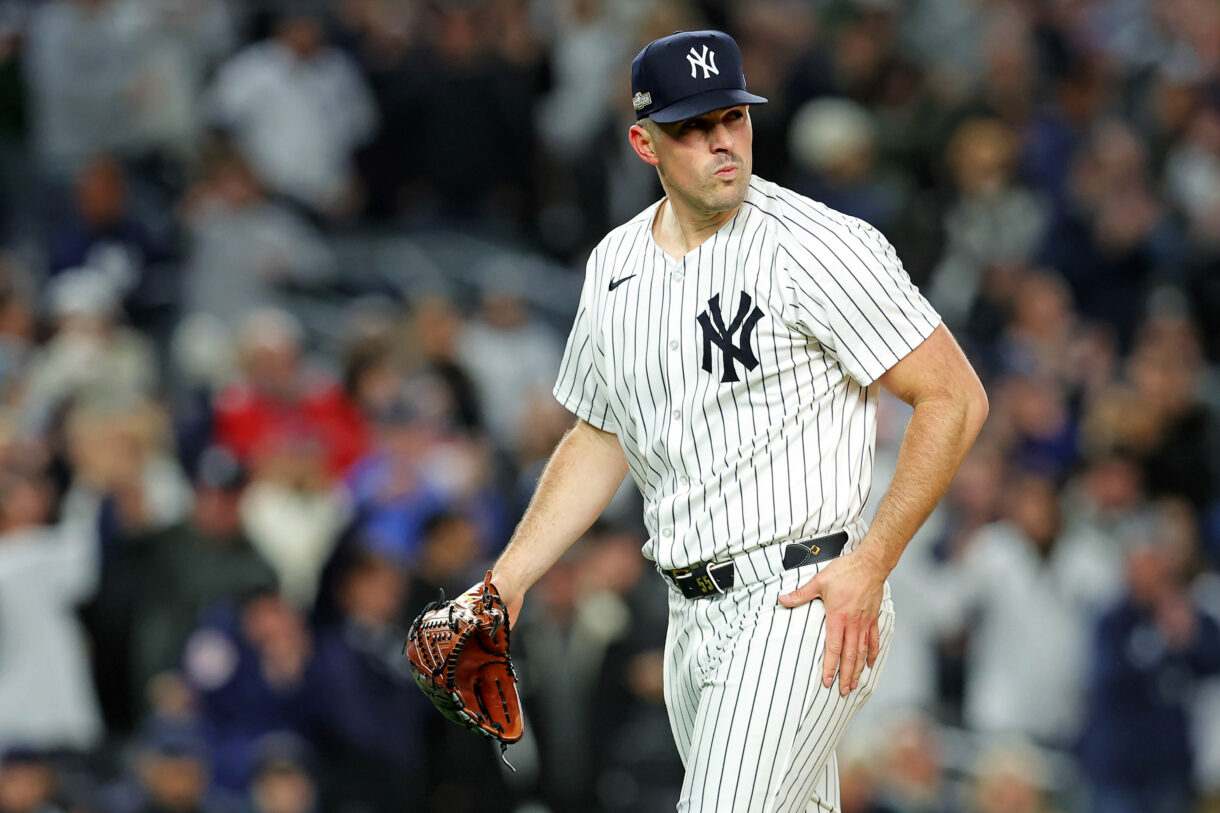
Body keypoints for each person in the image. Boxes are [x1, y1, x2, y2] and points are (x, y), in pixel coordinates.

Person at [485, 29, 988, 812]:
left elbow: (954, 396)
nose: (722, 141)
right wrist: (506, 581)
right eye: (693, 127)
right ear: (643, 142)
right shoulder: (614, 265)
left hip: (801, 597)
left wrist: (874, 559)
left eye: (733, 117)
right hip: (687, 618)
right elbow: (600, 434)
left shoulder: (817, 245)